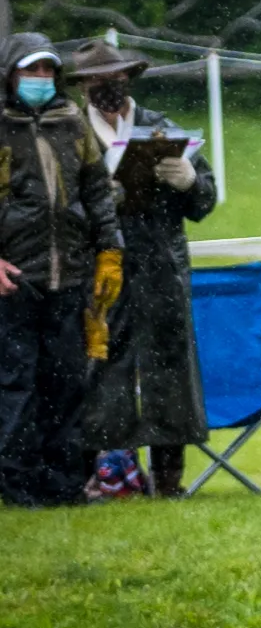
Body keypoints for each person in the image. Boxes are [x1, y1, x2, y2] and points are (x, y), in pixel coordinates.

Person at [68, 40, 216, 498]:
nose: (107, 87)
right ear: (83, 86)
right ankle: (105, 475)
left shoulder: (159, 128)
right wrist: (95, 201)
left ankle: (170, 480)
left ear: (130, 77)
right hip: (99, 271)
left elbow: (205, 201)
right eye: (96, 80)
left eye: (115, 77)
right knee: (101, 367)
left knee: (170, 368)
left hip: (160, 268)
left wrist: (190, 181)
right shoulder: (70, 134)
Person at [0, 33, 122, 507]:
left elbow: (97, 191)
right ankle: (15, 485)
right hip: (15, 280)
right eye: (30, 70)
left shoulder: (72, 123)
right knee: (16, 385)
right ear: (11, 74)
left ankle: (64, 484)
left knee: (66, 382)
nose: (39, 79)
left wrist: (110, 250)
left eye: (47, 70)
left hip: (69, 276)